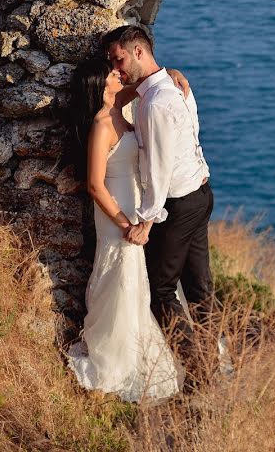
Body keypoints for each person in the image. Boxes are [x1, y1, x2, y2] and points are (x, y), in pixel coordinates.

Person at [64, 54, 191, 402]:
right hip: (115, 213)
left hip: (135, 207)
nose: (120, 75)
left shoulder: (122, 105)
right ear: (101, 88)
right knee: (119, 276)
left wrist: (175, 73)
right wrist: (124, 222)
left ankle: (138, 345)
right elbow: (94, 185)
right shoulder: (102, 125)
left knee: (137, 279)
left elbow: (150, 81)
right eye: (113, 75)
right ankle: (115, 357)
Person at [102, 25, 215, 379]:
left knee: (161, 292)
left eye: (119, 59)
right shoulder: (175, 87)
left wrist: (146, 220)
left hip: (179, 204)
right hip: (200, 194)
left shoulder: (156, 103)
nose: (116, 68)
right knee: (199, 290)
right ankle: (213, 367)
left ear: (139, 52)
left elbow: (158, 168)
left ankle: (198, 375)